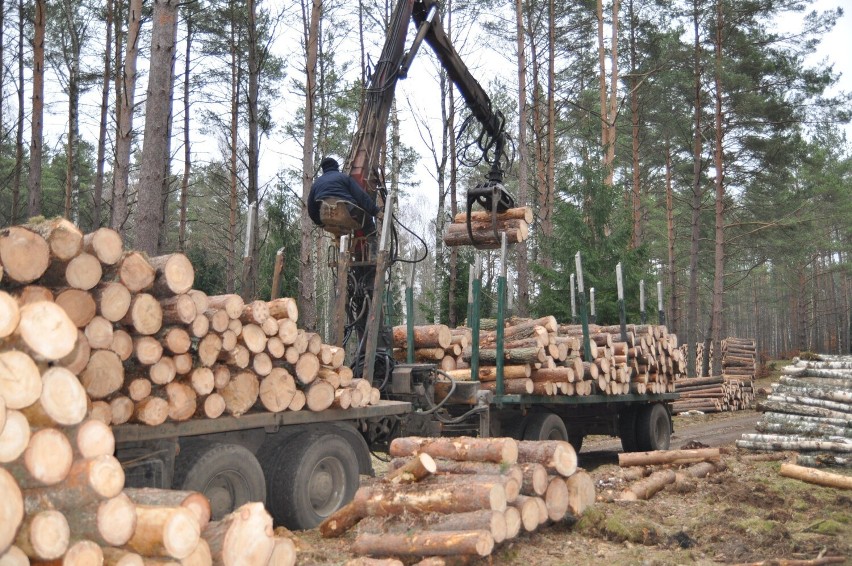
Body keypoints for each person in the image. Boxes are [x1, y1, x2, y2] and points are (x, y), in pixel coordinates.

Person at [307, 157, 381, 231]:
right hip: (346, 213)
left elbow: (311, 208)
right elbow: (361, 196)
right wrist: (376, 211)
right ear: (336, 166)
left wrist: (320, 222)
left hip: (325, 217)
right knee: (367, 220)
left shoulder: (316, 184)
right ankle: (372, 241)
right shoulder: (344, 177)